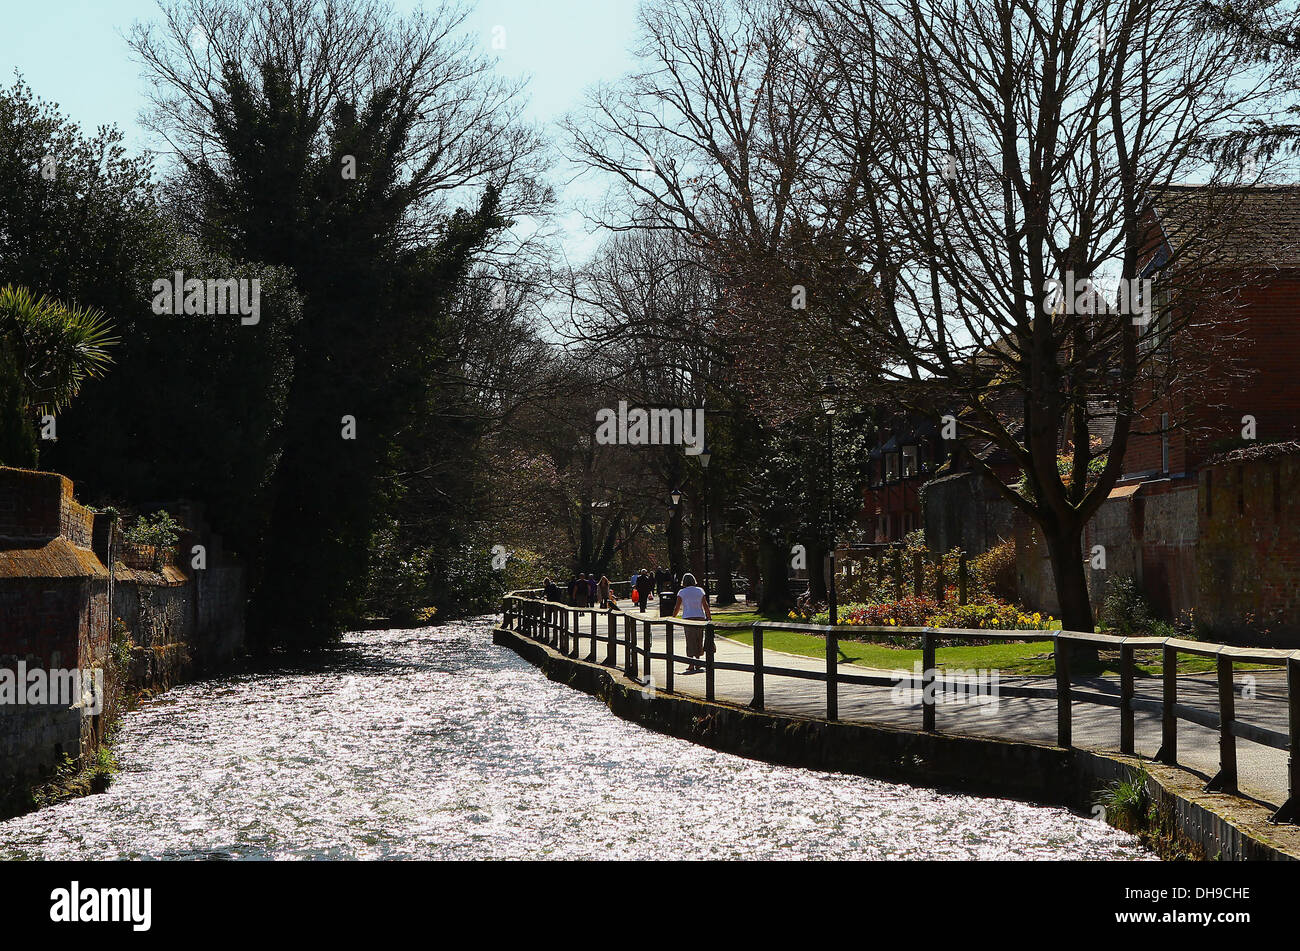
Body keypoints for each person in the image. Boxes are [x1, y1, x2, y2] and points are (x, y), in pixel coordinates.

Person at [672, 572, 711, 673]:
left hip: (688, 617)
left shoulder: (682, 592)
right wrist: (709, 617)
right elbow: (705, 605)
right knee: (699, 639)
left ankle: (691, 663)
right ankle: (698, 662)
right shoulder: (700, 591)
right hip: (700, 617)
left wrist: (673, 618)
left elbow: (677, 607)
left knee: (690, 640)